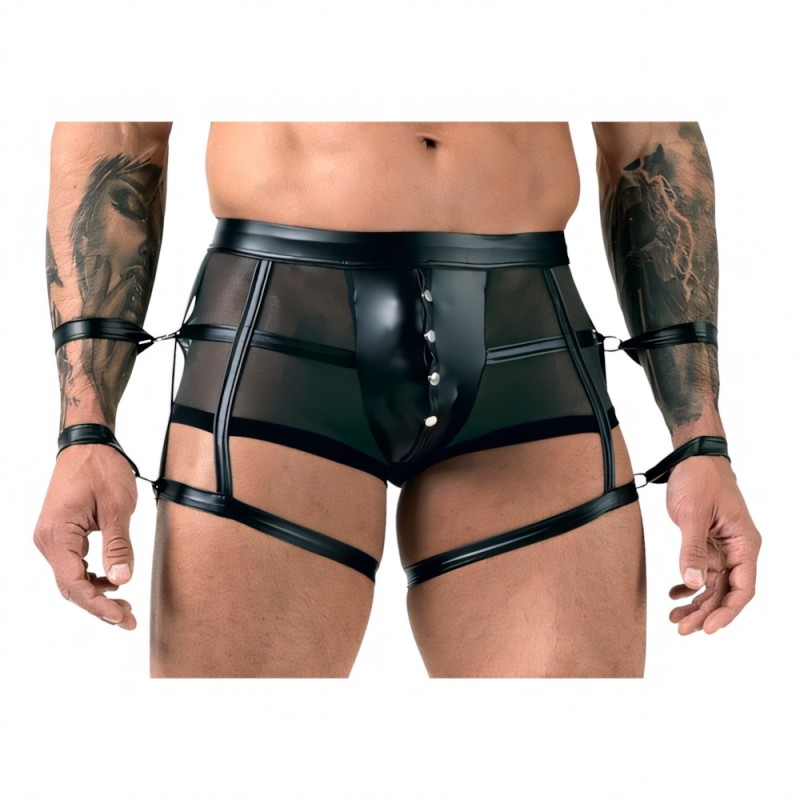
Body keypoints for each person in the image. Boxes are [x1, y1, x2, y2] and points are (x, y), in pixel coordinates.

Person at [34, 122, 761, 678]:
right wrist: (84, 428)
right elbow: (120, 129)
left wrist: (700, 440)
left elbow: (649, 143)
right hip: (281, 341)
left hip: (529, 346)